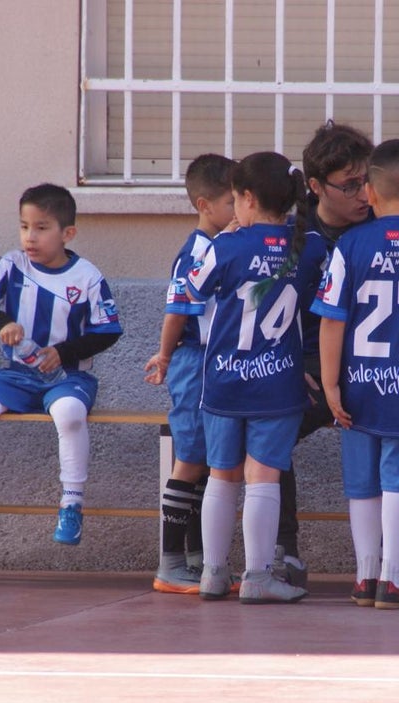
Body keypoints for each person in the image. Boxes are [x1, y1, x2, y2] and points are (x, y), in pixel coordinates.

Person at [275, 108, 399, 588]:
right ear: (317, 188)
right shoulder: (296, 239)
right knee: (266, 432)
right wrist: (287, 368)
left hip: (360, 377)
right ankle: (285, 552)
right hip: (325, 373)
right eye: (349, 185)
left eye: (366, 182)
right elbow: (270, 311)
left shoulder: (382, 226)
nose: (363, 194)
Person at [185, 151, 327, 603]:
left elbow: (191, 290)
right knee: (263, 477)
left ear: (245, 198)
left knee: (221, 476)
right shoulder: (312, 246)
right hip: (279, 381)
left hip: (225, 381)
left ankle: (212, 573)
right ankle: (258, 577)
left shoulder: (224, 247)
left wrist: (224, 238)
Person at [0, 183, 122, 545]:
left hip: (68, 377)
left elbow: (109, 331)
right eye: (25, 226)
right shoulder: (12, 264)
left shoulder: (87, 277)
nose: (30, 237)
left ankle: (71, 505)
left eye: (42, 228)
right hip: (16, 376)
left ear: (67, 233)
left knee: (70, 414)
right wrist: (3, 324)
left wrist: (64, 352)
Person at [143, 153, 237, 593]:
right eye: (232, 201)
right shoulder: (197, 252)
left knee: (202, 463)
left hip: (212, 363)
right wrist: (164, 356)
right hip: (194, 363)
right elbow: (176, 311)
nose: (240, 209)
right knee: (190, 460)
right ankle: (170, 564)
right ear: (204, 205)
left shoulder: (222, 245)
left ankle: (198, 559)